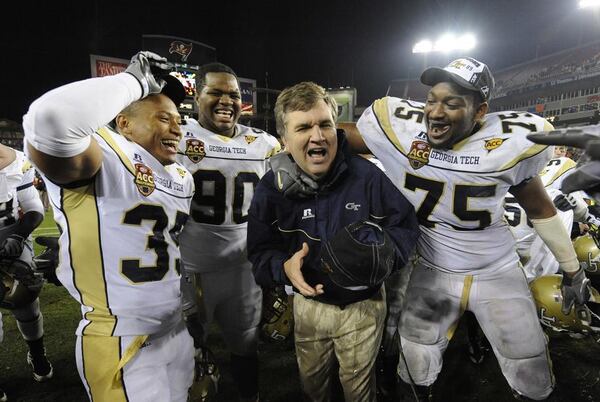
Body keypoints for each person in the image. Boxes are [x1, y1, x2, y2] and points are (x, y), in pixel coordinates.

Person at [341, 57, 591, 400]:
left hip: (497, 271)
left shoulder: (507, 142)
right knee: (414, 363)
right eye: (432, 100)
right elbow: (340, 137)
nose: (436, 112)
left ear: (479, 111)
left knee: (529, 367)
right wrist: (299, 144)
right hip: (432, 270)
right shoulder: (403, 131)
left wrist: (572, 269)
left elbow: (539, 208)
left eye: (452, 103)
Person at [22, 51, 195, 402]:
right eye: (163, 118)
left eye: (179, 119)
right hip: (124, 340)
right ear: (124, 123)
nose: (177, 128)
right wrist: (133, 82)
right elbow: (50, 118)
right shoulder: (106, 152)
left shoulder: (181, 176)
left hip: (176, 331)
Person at [247, 81, 419, 401]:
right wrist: (283, 269)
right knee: (313, 386)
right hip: (307, 304)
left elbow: (405, 226)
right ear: (284, 140)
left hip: (363, 304)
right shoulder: (272, 186)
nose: (317, 136)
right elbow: (258, 251)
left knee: (358, 390)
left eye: (325, 124)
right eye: (303, 128)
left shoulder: (368, 176)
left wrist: (385, 257)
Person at [177, 62, 280, 402]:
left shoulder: (263, 144)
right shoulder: (177, 134)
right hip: (191, 271)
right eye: (216, 92)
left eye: (233, 95)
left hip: (243, 269)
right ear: (196, 96)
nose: (226, 101)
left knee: (246, 345)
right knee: (188, 352)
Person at [0, 144, 50, 401]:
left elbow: (34, 208)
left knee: (25, 300)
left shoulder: (17, 161)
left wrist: (19, 235)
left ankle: (38, 356)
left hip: (11, 239)